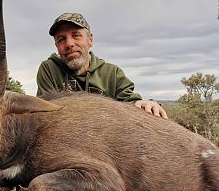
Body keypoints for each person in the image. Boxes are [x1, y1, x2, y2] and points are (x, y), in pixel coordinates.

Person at [36, 12, 168, 119]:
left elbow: (130, 101)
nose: (69, 44)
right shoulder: (49, 69)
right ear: (56, 46)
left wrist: (146, 103)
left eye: (76, 35)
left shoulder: (112, 73)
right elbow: (46, 114)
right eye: (61, 39)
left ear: (90, 40)